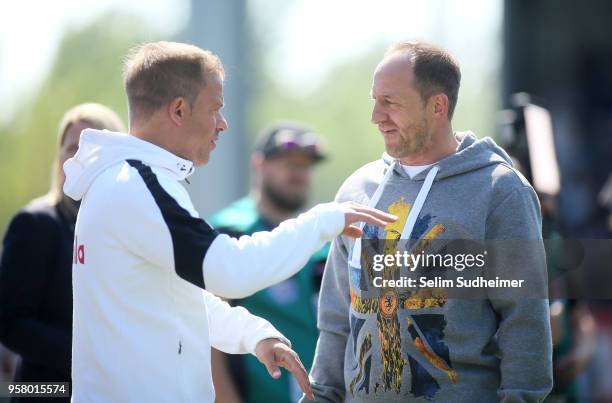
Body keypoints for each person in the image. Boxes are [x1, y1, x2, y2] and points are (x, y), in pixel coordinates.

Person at [61, 41, 396, 403]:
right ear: (178, 110)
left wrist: (252, 334)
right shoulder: (138, 185)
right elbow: (229, 269)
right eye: (215, 109)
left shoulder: (124, 181)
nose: (223, 124)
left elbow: (175, 300)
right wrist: (325, 219)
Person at [304, 41, 553, 402]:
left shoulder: (499, 192)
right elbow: (336, 318)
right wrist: (321, 395)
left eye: (390, 102)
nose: (376, 115)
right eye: (374, 100)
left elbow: (524, 322)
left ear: (438, 105)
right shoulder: (357, 189)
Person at [0, 103, 126, 402]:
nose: (79, 157)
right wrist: (85, 356)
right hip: (46, 391)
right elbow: (8, 320)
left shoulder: (128, 228)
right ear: (59, 159)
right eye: (71, 147)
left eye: (92, 147)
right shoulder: (36, 223)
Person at [210, 123, 329, 403]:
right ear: (259, 164)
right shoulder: (230, 232)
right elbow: (207, 332)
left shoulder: (320, 244)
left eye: (305, 165)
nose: (298, 173)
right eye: (288, 163)